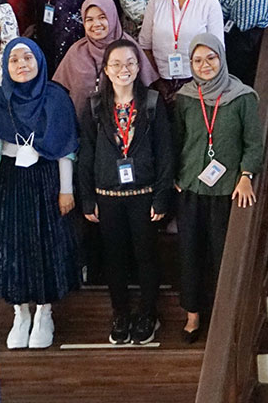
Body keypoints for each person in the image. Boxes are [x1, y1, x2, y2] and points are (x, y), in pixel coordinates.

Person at [0, 38, 79, 350]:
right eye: (14, 60)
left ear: (39, 61)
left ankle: (44, 311)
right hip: (8, 178)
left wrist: (66, 190)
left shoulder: (56, 97)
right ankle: (20, 312)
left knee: (45, 243)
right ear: (6, 66)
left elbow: (65, 148)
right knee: (11, 245)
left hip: (45, 177)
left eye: (27, 58)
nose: (21, 65)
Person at [76, 35, 171, 346]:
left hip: (144, 195)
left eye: (130, 62)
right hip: (108, 197)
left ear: (138, 66)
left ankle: (147, 313)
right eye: (116, 64)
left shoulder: (154, 103)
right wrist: (87, 197)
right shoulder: (93, 108)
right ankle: (120, 313)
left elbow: (166, 153)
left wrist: (161, 196)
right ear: (105, 69)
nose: (123, 69)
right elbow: (86, 154)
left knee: (146, 257)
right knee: (113, 259)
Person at [173, 32, 261, 343]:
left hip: (229, 192)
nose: (205, 64)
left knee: (224, 256)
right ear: (191, 65)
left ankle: (229, 316)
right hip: (191, 190)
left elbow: (253, 143)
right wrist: (177, 177)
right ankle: (193, 315)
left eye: (210, 57)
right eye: (197, 60)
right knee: (190, 254)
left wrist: (246, 175)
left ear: (221, 58)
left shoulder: (242, 97)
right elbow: (177, 140)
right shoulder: (184, 98)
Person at [138, 0, 226, 93]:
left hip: (198, 82)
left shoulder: (209, 3)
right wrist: (158, 82)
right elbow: (145, 46)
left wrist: (203, 83)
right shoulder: (156, 1)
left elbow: (217, 50)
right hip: (162, 82)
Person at [55, 0, 157, 115]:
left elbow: (145, 87)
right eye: (89, 19)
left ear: (112, 16)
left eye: (102, 17)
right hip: (83, 127)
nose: (96, 24)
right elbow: (60, 92)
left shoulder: (129, 47)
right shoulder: (76, 52)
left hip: (124, 126)